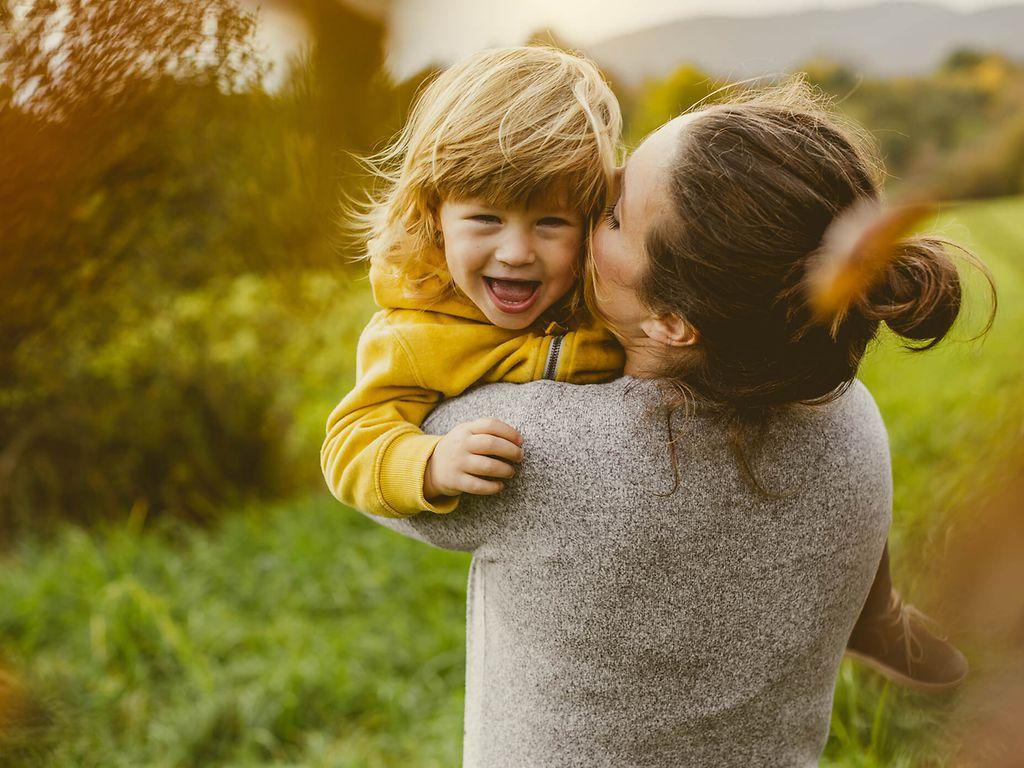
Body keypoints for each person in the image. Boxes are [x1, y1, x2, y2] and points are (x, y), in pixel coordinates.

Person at [339, 77, 993, 766]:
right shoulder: (845, 411)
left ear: (673, 322)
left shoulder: (526, 447)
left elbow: (373, 455)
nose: (589, 216)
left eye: (610, 214)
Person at [320, 45, 624, 520]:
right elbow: (349, 443)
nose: (517, 253)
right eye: (486, 218)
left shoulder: (607, 292)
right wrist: (430, 464)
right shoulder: (415, 334)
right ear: (433, 215)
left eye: (551, 223)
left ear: (589, 222)